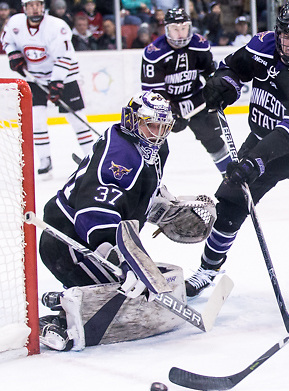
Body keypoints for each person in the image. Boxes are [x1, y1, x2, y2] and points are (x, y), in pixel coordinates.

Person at [186, 0, 289, 298]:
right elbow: (233, 69)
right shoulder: (262, 46)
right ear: (277, 34)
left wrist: (254, 162)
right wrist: (223, 85)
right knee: (231, 205)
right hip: (262, 137)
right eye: (287, 38)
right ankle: (208, 268)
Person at [37, 91, 184, 351]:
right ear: (132, 120)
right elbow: (94, 213)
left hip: (100, 234)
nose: (157, 133)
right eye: (151, 124)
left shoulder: (156, 147)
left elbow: (133, 192)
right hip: (68, 239)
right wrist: (121, 258)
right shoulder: (120, 153)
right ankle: (60, 312)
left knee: (142, 285)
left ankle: (78, 296)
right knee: (123, 291)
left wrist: (161, 205)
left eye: (164, 127)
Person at [2, 0, 95, 178]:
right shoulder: (15, 23)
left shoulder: (56, 26)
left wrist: (57, 82)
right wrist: (13, 55)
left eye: (38, 4)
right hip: (35, 78)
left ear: (43, 6)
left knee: (76, 118)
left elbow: (64, 57)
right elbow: (6, 41)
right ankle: (45, 160)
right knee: (36, 119)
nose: (35, 8)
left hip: (65, 77)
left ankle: (92, 157)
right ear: (24, 8)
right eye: (30, 5)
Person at [141, 8, 231, 173]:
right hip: (167, 104)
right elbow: (154, 94)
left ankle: (232, 180)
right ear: (166, 29)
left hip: (196, 100)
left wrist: (215, 89)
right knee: (155, 146)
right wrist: (169, 112)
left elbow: (210, 72)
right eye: (175, 29)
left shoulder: (199, 44)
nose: (180, 34)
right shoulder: (154, 53)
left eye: (184, 28)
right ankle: (149, 185)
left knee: (213, 140)